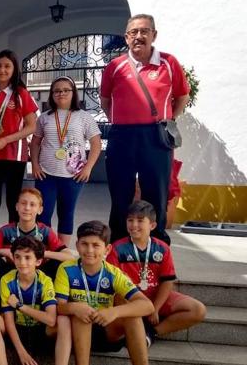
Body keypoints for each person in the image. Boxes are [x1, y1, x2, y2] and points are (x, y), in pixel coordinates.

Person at [100, 14, 190, 244]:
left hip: (156, 136)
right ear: (126, 38)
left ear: (154, 35)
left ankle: (156, 244)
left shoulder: (169, 63)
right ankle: (119, 243)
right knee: (120, 193)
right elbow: (106, 100)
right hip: (122, 136)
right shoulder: (114, 66)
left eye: (144, 31)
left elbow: (182, 97)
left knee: (156, 193)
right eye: (133, 32)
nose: (138, 36)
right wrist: (121, 120)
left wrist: (168, 119)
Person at [107, 200, 206, 346]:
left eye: (140, 221)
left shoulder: (162, 248)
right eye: (130, 220)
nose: (134, 225)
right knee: (118, 298)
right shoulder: (116, 248)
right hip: (130, 298)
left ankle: (151, 333)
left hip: (155, 296)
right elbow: (113, 287)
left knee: (198, 310)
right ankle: (134, 330)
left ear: (152, 225)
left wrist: (156, 308)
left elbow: (167, 281)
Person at [55, 220, 154, 365]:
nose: (89, 250)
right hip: (76, 333)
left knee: (133, 317)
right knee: (80, 314)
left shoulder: (113, 273)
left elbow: (148, 306)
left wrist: (115, 312)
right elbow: (58, 306)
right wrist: (75, 307)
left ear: (107, 250)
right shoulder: (66, 269)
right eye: (84, 244)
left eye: (96, 245)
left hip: (107, 330)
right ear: (77, 246)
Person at [30, 76, 102, 246]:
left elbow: (96, 144)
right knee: (42, 214)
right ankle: (42, 250)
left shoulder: (84, 117)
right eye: (56, 91)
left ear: (73, 93)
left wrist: (88, 168)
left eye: (65, 90)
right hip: (46, 174)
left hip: (73, 176)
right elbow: (35, 142)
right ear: (52, 94)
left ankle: (61, 251)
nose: (61, 93)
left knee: (66, 213)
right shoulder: (45, 117)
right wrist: (34, 164)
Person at [0, 49, 38, 245]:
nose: (2, 70)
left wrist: (6, 139)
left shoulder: (20, 94)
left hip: (15, 157)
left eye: (7, 66)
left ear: (14, 70)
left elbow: (32, 126)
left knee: (13, 203)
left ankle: (13, 244)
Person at [0, 236, 71, 365]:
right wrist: (21, 352)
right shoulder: (6, 280)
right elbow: (8, 321)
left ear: (38, 261)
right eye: (17, 257)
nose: (22, 262)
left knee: (63, 320)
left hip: (41, 330)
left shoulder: (45, 281)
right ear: (13, 258)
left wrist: (20, 306)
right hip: (16, 329)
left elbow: (51, 319)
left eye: (27, 257)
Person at [0, 188, 74, 311]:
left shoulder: (45, 231)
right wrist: (0, 251)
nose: (27, 208)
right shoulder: (6, 230)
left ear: (40, 210)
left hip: (38, 272)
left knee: (57, 263)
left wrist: (41, 253)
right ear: (17, 206)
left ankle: (52, 307)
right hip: (13, 272)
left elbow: (69, 257)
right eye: (23, 203)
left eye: (32, 205)